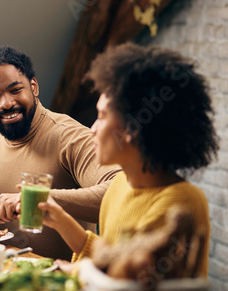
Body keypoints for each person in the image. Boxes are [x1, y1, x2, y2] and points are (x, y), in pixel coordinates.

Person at [38, 43, 218, 277]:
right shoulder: (121, 183)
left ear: (132, 128)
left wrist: (77, 270)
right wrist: (61, 221)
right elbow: (111, 255)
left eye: (102, 116)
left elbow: (127, 277)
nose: (93, 129)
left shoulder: (181, 204)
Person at [0, 45, 121, 260]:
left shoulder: (69, 136)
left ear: (33, 87)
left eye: (16, 90)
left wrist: (37, 199)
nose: (6, 103)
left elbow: (119, 191)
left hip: (60, 280)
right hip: (2, 276)